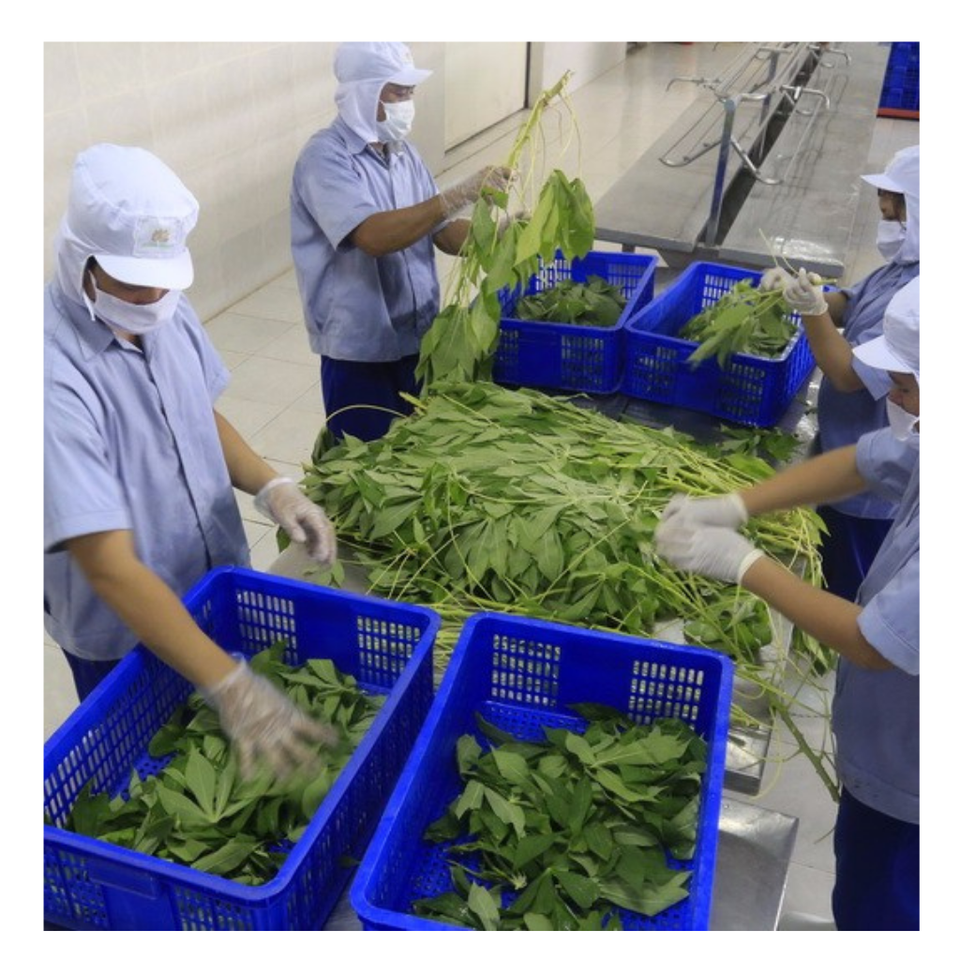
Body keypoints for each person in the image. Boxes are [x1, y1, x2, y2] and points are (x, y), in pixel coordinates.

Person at [45, 143, 339, 780]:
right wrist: (231, 686)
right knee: (153, 778)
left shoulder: (161, 309)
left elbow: (200, 414)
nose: (153, 295)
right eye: (133, 281)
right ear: (81, 261)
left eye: (164, 279)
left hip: (210, 584)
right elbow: (109, 567)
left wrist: (272, 487)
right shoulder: (47, 375)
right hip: (124, 631)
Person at [654, 276, 920, 931]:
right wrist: (736, 505)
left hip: (916, 775)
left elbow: (872, 642)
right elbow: (863, 462)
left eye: (906, 385)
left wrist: (744, 564)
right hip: (891, 742)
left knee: (883, 907)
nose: (894, 398)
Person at [290, 41, 514, 443]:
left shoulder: (404, 153)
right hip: (360, 348)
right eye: (398, 92)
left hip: (418, 337)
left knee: (417, 452)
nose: (407, 104)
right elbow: (373, 236)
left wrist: (497, 235)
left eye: (411, 93)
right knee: (366, 460)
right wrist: (457, 194)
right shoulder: (324, 159)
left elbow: (441, 231)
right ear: (363, 93)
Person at [761, 144, 918, 602]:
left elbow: (848, 374)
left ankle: (837, 625)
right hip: (842, 446)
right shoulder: (900, 268)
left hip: (868, 487)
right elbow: (849, 303)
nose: (883, 210)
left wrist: (812, 313)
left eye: (894, 203)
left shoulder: (920, 300)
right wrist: (808, 293)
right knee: (830, 554)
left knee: (848, 580)